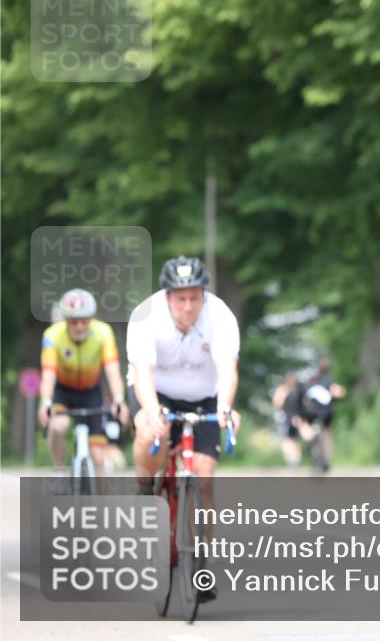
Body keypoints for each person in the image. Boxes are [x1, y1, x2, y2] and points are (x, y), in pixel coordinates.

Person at [127, 256, 241, 602]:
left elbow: (227, 369)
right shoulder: (146, 318)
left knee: (204, 477)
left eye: (195, 297)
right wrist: (151, 411)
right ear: (167, 297)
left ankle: (201, 565)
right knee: (150, 432)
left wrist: (225, 406)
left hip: (204, 397)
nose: (189, 306)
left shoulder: (219, 316)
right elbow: (142, 374)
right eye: (181, 298)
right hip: (157, 393)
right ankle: (145, 487)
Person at [38, 289, 130, 472]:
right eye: (73, 321)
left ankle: (101, 500)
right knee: (58, 426)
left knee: (98, 458)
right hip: (63, 390)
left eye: (85, 320)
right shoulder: (52, 335)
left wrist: (119, 400)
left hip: (91, 391)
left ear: (91, 319)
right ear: (65, 320)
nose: (79, 326)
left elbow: (112, 370)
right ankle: (59, 468)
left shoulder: (103, 332)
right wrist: (45, 403)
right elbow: (48, 375)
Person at [300, 358, 347, 469]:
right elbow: (338, 392)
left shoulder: (310, 380)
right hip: (326, 411)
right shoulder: (329, 380)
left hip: (310, 411)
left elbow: (303, 397)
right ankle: (327, 457)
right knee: (327, 433)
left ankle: (310, 442)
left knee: (306, 426)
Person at [272, 372, 302, 466]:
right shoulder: (297, 391)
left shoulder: (285, 390)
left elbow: (277, 403)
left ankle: (293, 459)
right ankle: (294, 458)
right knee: (292, 439)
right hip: (293, 418)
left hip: (288, 418)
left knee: (287, 439)